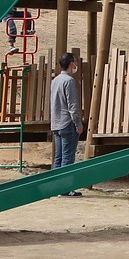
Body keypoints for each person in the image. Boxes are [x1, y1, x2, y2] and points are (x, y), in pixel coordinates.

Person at [50, 53, 82, 195]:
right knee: (68, 157)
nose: (76, 64)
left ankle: (55, 187)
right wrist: (78, 123)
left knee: (58, 158)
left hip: (56, 123)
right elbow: (73, 105)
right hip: (67, 122)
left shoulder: (55, 80)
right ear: (71, 64)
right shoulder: (69, 81)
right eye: (75, 61)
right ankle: (65, 188)